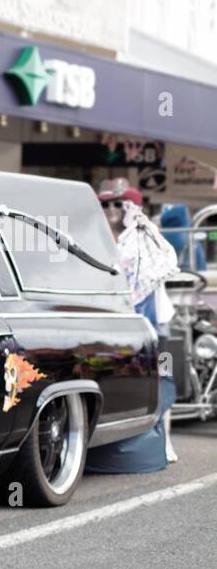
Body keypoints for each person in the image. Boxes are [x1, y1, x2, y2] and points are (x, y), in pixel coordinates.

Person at [87, 177, 180, 472]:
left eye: (120, 203)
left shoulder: (144, 235)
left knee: (160, 380)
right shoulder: (96, 237)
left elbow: (165, 262)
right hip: (113, 323)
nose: (112, 209)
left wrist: (135, 223)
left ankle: (164, 441)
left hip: (152, 323)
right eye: (106, 204)